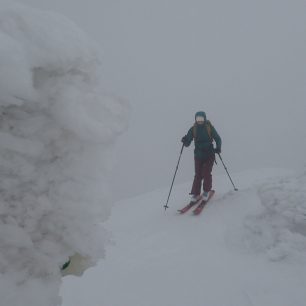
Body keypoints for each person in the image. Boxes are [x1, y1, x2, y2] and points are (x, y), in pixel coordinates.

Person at [181, 111, 222, 202]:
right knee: (198, 175)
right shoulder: (193, 129)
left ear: (204, 118)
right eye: (198, 119)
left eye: (201, 119)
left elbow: (218, 138)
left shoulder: (209, 127)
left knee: (206, 173)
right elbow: (188, 142)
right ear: (195, 119)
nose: (200, 121)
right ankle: (196, 194)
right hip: (198, 155)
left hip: (209, 154)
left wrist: (218, 148)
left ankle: (206, 192)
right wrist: (185, 141)